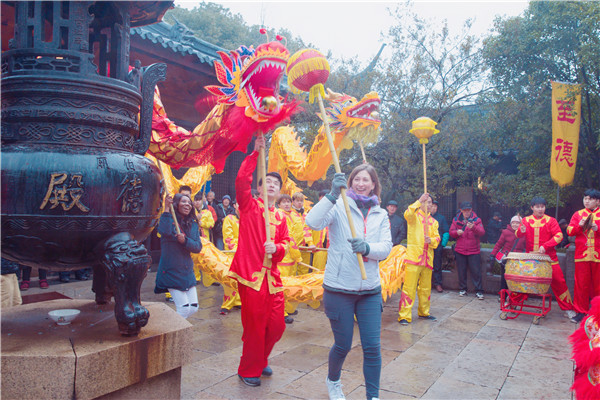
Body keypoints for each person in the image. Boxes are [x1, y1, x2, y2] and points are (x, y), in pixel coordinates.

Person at [306, 164, 392, 400]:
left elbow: (386, 248)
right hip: (339, 289)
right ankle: (333, 381)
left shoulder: (381, 214)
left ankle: (372, 396)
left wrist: (367, 248)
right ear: (350, 181)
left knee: (372, 347)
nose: (361, 184)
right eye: (356, 179)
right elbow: (312, 222)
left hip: (370, 291)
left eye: (366, 180)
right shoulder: (338, 206)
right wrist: (332, 196)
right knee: (343, 345)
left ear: (374, 184)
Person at [227, 136, 290, 387]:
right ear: (260, 187)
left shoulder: (281, 216)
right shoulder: (249, 206)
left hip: (272, 278)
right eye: (267, 182)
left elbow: (286, 243)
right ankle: (248, 369)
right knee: (254, 326)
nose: (272, 185)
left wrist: (278, 248)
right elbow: (241, 180)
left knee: (276, 326)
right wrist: (255, 154)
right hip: (251, 276)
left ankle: (261, 359)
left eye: (276, 183)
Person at [516, 196, 576, 321]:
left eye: (542, 206)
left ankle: (568, 308)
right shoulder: (526, 220)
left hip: (549, 259)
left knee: (559, 281)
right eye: (537, 207)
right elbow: (518, 234)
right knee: (523, 280)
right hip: (531, 259)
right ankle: (515, 302)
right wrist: (521, 231)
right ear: (532, 207)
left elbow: (559, 236)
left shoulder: (551, 221)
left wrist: (546, 246)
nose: (540, 209)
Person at [154, 193, 202, 318]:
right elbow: (163, 231)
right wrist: (166, 209)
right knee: (184, 309)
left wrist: (185, 241)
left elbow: (198, 247)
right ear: (176, 204)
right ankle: (174, 333)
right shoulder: (169, 219)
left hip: (187, 271)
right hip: (171, 270)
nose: (187, 204)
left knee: (194, 307)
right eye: (183, 201)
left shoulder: (193, 224)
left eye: (189, 202)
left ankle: (176, 329)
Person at [398, 193, 440, 325]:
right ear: (421, 203)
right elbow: (407, 213)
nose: (428, 205)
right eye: (425, 202)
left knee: (426, 288)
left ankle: (424, 312)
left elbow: (437, 239)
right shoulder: (414, 217)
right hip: (413, 258)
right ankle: (404, 315)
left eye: (430, 203)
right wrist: (418, 201)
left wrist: (431, 240)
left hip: (427, 259)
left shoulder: (434, 222)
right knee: (409, 288)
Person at [567, 189, 600, 323]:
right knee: (581, 284)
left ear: (597, 201)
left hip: (598, 255)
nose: (586, 201)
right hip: (582, 255)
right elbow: (569, 231)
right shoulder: (578, 214)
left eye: (590, 199)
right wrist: (578, 227)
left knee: (598, 285)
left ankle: (597, 312)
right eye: (585, 198)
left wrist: (598, 229)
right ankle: (581, 311)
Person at [449, 201, 486, 299]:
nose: (467, 212)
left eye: (468, 210)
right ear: (461, 210)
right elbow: (451, 232)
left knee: (476, 271)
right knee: (461, 271)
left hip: (473, 250)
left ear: (471, 210)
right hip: (460, 250)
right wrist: (457, 232)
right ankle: (463, 289)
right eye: (464, 210)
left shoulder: (477, 220)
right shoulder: (456, 219)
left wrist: (473, 227)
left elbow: (482, 232)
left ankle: (479, 291)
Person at [277, 194, 304, 324]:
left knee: (291, 283)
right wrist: (297, 256)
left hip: (292, 256)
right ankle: (281, 312)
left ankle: (288, 308)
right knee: (283, 285)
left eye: (288, 202)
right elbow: (290, 237)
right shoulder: (281, 216)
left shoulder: (292, 215)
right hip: (285, 257)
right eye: (284, 202)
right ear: (279, 205)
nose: (287, 204)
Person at [489, 215, 526, 298]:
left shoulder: (524, 234)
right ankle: (502, 296)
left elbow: (527, 246)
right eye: (513, 223)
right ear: (510, 223)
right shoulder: (505, 232)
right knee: (504, 279)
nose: (515, 225)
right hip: (506, 260)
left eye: (517, 223)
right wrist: (492, 254)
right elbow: (499, 244)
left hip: (518, 260)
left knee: (516, 279)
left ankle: (514, 297)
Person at [220, 202, 242, 315]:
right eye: (239, 204)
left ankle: (238, 301)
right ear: (234, 205)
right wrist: (241, 246)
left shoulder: (247, 219)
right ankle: (226, 304)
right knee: (230, 280)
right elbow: (228, 238)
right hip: (232, 254)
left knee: (241, 280)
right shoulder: (229, 219)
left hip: (244, 255)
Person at [292, 192, 316, 272]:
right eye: (297, 200)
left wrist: (310, 243)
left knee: (304, 270)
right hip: (293, 248)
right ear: (293, 201)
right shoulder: (289, 214)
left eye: (301, 201)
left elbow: (307, 230)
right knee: (291, 270)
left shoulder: (306, 215)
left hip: (305, 247)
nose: (299, 203)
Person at [430, 199, 449, 292]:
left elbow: (446, 232)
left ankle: (438, 284)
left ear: (436, 208)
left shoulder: (441, 218)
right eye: (431, 205)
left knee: (437, 265)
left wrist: (442, 245)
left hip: (437, 246)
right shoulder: (424, 217)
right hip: (427, 246)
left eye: (434, 206)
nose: (432, 207)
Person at [311, 190, 330, 271]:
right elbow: (307, 229)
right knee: (317, 271)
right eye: (322, 197)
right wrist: (310, 243)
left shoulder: (335, 210)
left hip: (332, 249)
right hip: (319, 249)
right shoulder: (313, 211)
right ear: (319, 198)